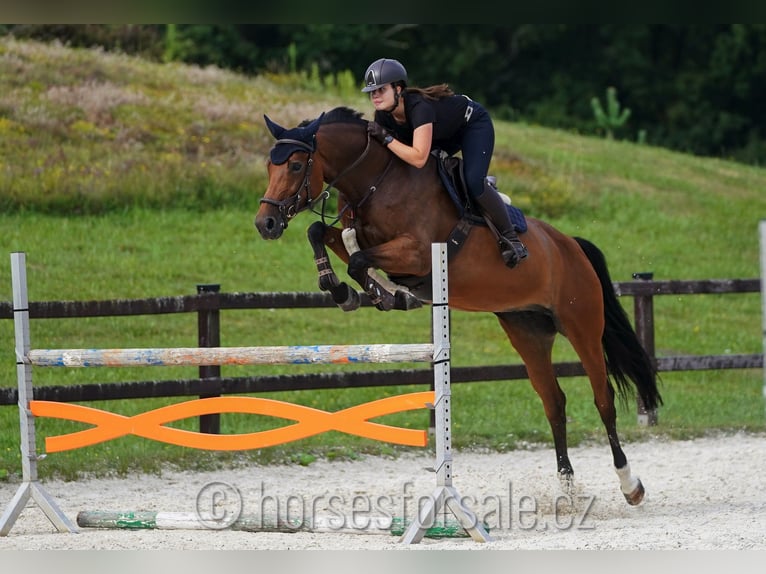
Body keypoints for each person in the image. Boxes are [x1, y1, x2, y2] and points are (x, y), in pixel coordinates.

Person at [361, 57, 528, 268]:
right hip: (441, 135)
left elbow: (419, 157)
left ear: (398, 89)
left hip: (472, 126)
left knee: (473, 181)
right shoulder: (383, 116)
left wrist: (386, 139)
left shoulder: (419, 108)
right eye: (372, 92)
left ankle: (511, 238)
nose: (375, 96)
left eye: (380, 90)